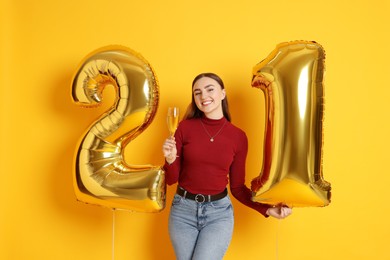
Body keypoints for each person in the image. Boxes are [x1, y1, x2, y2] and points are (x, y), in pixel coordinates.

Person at [162, 72, 292, 260]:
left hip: (218, 214)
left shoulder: (238, 137)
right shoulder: (183, 128)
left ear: (223, 93)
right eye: (197, 93)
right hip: (183, 212)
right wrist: (170, 159)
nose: (203, 96)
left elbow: (238, 188)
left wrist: (267, 209)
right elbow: (171, 179)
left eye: (209, 89)